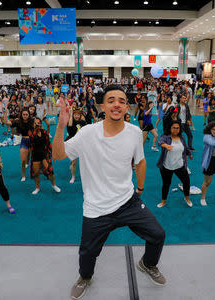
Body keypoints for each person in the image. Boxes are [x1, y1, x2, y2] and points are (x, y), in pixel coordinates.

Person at [52, 85, 166, 299]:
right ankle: (85, 278)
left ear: (126, 107)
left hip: (128, 201)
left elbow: (140, 162)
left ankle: (147, 264)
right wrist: (60, 127)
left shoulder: (134, 132)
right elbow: (58, 155)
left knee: (158, 235)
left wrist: (139, 189)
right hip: (96, 208)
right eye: (111, 100)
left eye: (122, 101)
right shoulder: (87, 133)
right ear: (102, 106)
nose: (116, 104)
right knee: (87, 253)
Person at [156, 120, 193, 208]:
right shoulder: (165, 137)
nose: (176, 130)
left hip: (179, 166)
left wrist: (190, 154)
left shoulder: (182, 137)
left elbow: (185, 147)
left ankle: (187, 198)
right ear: (170, 128)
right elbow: (160, 142)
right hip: (167, 166)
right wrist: (165, 146)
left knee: (186, 181)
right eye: (174, 128)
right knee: (166, 184)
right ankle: (163, 201)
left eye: (177, 128)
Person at [29, 118, 61, 194]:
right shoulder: (30, 132)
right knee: (36, 173)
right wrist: (36, 129)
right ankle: (37, 188)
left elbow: (49, 143)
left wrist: (53, 153)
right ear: (32, 124)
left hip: (45, 154)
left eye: (39, 123)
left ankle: (54, 185)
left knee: (50, 171)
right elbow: (32, 138)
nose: (37, 124)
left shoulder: (44, 132)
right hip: (35, 156)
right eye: (35, 123)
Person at [4, 109, 34, 181]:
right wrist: (5, 114)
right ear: (21, 115)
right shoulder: (18, 122)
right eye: (23, 114)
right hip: (24, 141)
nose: (25, 116)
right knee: (22, 160)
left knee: (30, 156)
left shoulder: (32, 121)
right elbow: (6, 122)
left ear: (29, 115)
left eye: (26, 114)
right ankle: (23, 175)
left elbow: (39, 127)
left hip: (32, 141)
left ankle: (29, 164)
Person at [67, 107, 87, 184]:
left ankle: (86, 175)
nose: (77, 116)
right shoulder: (71, 122)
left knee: (85, 161)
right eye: (75, 115)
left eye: (78, 115)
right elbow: (70, 126)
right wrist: (71, 113)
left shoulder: (83, 122)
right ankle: (73, 176)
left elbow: (86, 131)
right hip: (73, 143)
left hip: (82, 143)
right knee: (74, 162)